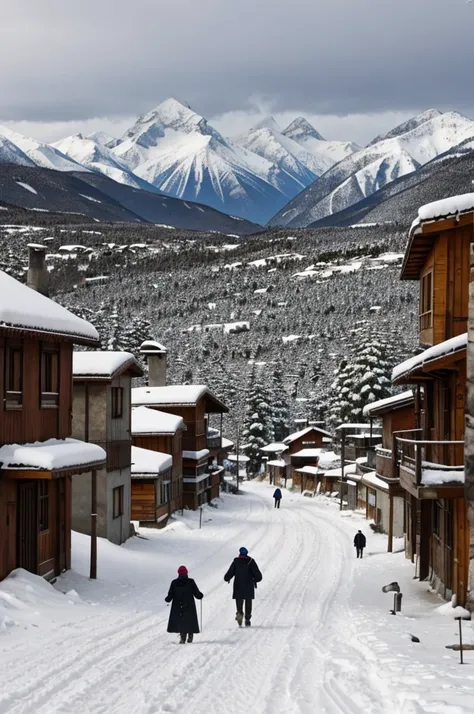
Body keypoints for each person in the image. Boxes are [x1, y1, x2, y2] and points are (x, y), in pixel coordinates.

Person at [224, 546, 262, 627]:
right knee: (248, 602)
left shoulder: (236, 562)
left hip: (238, 586)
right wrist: (255, 580)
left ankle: (240, 613)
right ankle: (247, 619)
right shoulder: (251, 562)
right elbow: (258, 576)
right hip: (249, 586)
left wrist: (227, 578)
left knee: (239, 601)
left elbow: (230, 573)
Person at [165, 565, 203, 644]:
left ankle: (182, 638)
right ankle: (190, 636)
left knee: (181, 621)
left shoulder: (174, 583)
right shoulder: (191, 582)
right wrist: (200, 596)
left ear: (178, 573)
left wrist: (167, 599)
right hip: (189, 605)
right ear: (186, 573)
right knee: (190, 620)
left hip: (178, 605)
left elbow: (170, 595)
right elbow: (196, 593)